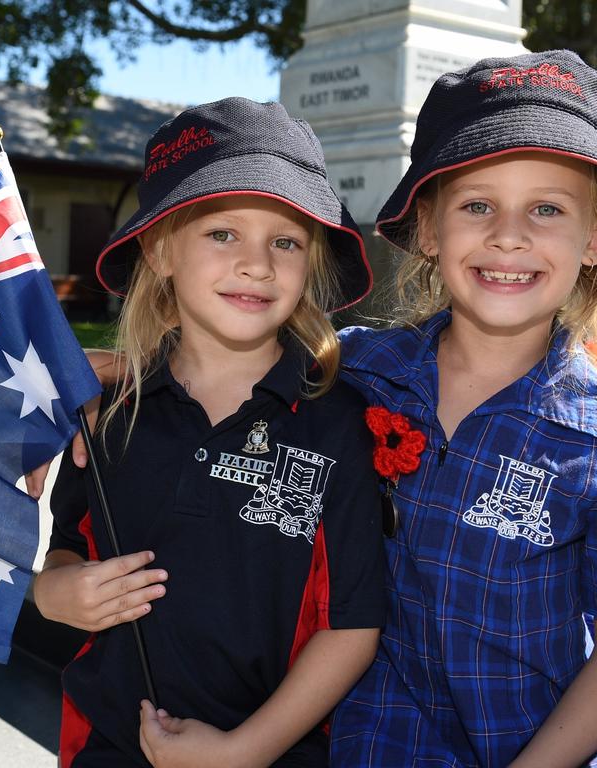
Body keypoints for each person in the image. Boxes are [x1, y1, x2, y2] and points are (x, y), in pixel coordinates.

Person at [327, 50, 597, 767]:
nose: (508, 234)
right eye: (476, 205)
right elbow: (236, 364)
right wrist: (131, 368)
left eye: (547, 209)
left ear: (596, 239)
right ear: (430, 230)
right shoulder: (360, 367)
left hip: (549, 745)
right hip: (388, 741)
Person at [33, 97, 387, 768]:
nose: (257, 263)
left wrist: (243, 752)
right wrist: (53, 595)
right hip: (111, 747)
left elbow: (353, 626)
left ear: (310, 263)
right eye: (222, 233)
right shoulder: (107, 413)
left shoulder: (339, 423)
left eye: (285, 241)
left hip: (271, 752)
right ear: (161, 249)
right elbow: (65, 556)